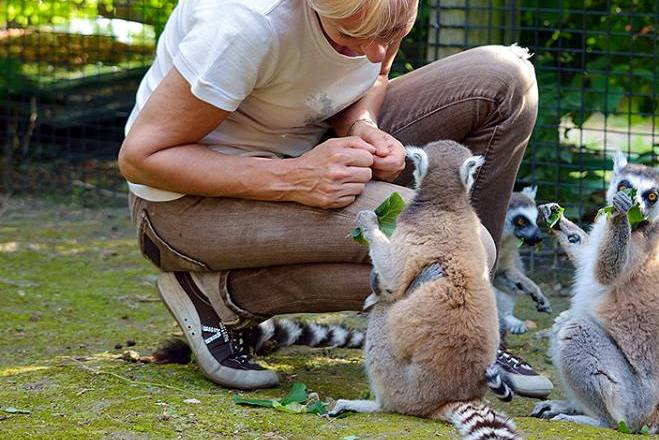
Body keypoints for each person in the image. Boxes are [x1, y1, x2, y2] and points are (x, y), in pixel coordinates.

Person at [118, 0, 552, 397]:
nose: (377, 53)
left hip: (305, 147)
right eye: (348, 39)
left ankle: (475, 326)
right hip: (184, 205)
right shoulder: (244, 24)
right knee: (447, 249)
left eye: (393, 33)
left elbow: (374, 77)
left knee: (507, 77)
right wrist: (293, 178)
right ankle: (216, 294)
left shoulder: (379, 15)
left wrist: (363, 127)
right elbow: (142, 158)